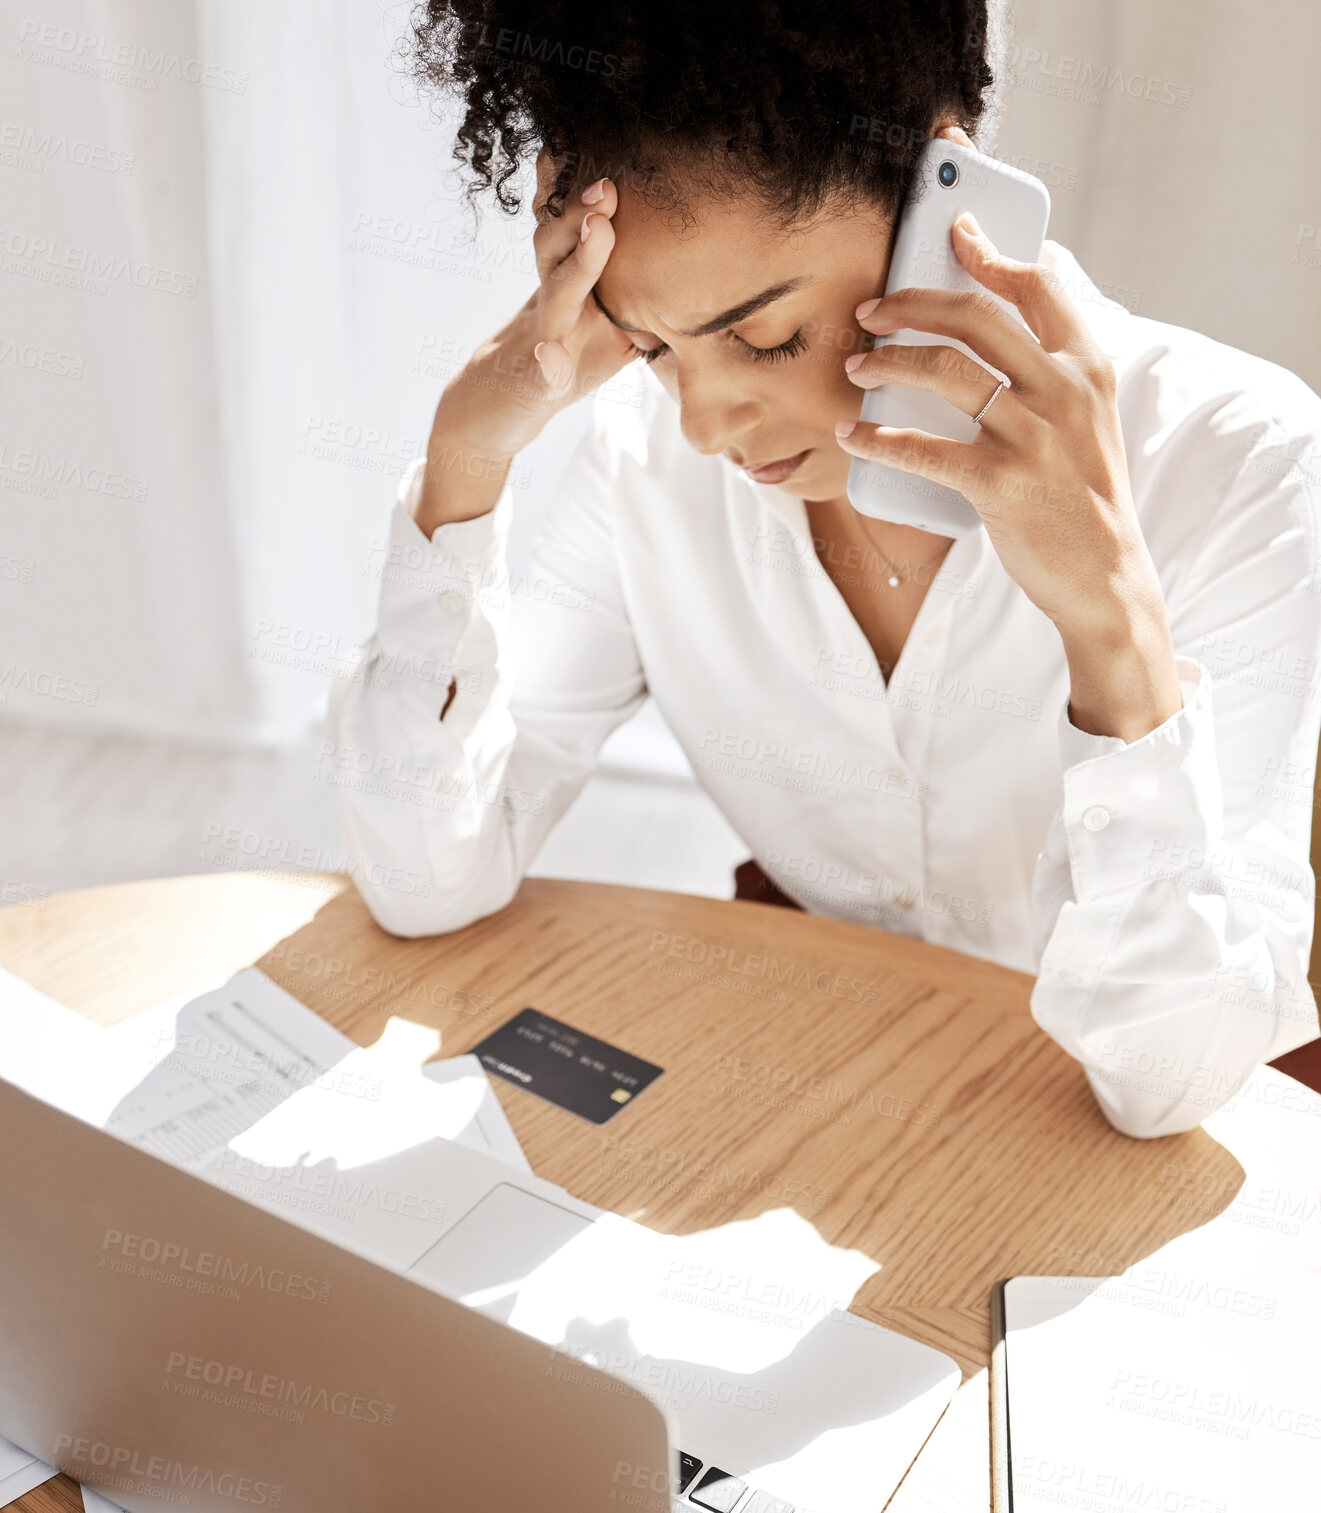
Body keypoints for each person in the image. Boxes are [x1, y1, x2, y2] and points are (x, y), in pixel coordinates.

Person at [327, 0, 1321, 1138]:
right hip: (818, 1091)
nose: (703, 423)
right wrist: (466, 459)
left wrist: (1110, 625)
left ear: (945, 189)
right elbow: (426, 878)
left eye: (763, 339)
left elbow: (1167, 1082)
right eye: (652, 347)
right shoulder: (643, 460)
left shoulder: (1232, 455)